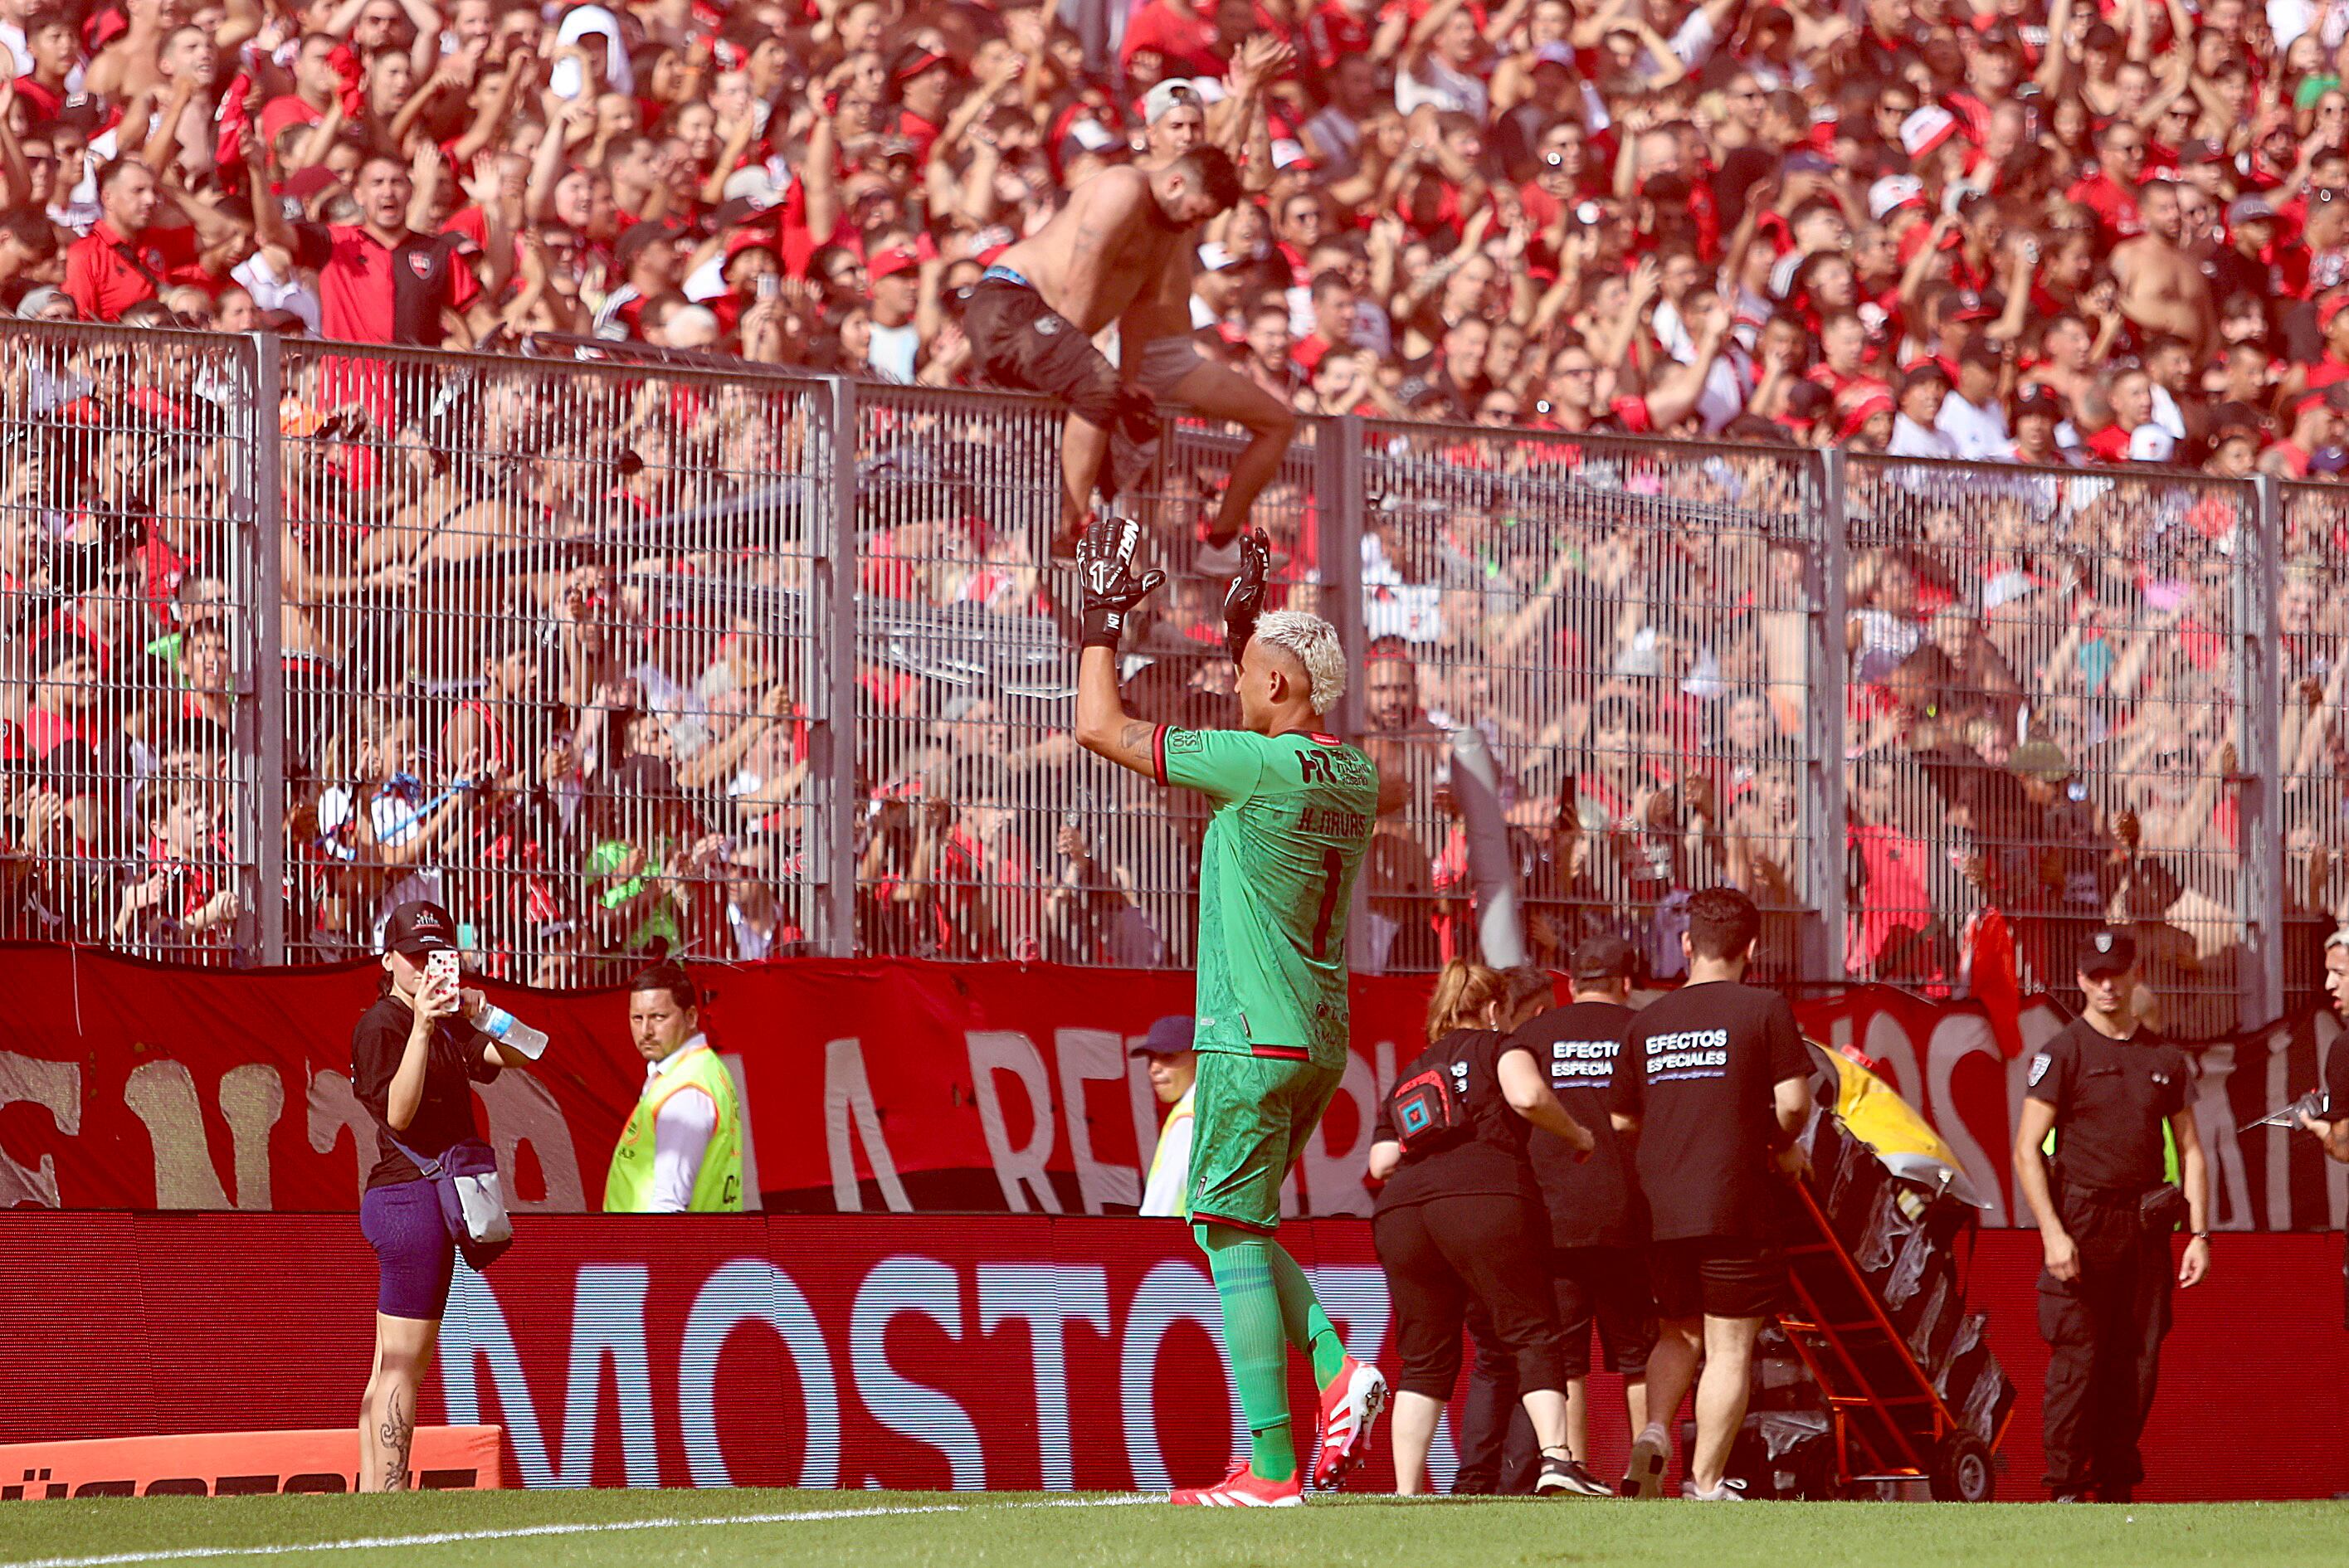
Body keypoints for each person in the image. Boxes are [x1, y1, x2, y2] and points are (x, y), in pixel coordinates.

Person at [1073, 519, 1387, 1506]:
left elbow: (1098, 728)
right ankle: (1335, 1371)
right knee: (1227, 1226)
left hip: (1250, 1035)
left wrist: (1099, 625)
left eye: (1245, 672)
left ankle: (1275, 1461)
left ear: (1279, 689)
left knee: (1228, 1231)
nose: (1231, 685)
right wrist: (1246, 625)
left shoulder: (1253, 766)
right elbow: (1274, 712)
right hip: (1320, 1036)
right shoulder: (1356, 773)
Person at [1612, 886, 1814, 1502]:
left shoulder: (1646, 1020)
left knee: (1676, 1332)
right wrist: (1780, 1145)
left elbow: (1621, 1122)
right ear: (1750, 949)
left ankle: (1651, 1432)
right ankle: (1703, 1483)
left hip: (1661, 1206)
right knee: (1729, 1345)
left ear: (1685, 945)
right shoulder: (1763, 1009)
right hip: (1734, 1201)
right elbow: (1793, 1102)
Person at [1369, 962, 1596, 1497]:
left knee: (1424, 1358)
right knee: (1531, 1330)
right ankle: (1558, 1461)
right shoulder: (1501, 1048)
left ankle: (1406, 1492)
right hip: (1486, 1201)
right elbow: (1527, 1097)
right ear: (1496, 1010)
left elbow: (1380, 1161)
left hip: (1403, 1214)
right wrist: (1578, 1134)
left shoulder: (1412, 1071)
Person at [2013, 928, 2210, 1503]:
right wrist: (2052, 1233)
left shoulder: (2163, 1057)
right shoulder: (2061, 1052)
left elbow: (2192, 1149)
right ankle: (2068, 1486)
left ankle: (2116, 1481)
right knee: (2077, 1358)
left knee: (2137, 1361)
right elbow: (2027, 1148)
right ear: (2079, 979)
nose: (2105, 984)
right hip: (2080, 1219)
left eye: (2115, 973)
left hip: (2145, 1225)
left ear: (2133, 974)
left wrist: (2199, 1234)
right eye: (2094, 975)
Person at [963, 149, 1245, 551]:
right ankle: (1073, 518)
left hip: (1048, 330)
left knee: (1122, 405)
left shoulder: (1167, 231)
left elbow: (1143, 306)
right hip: (1011, 305)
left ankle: (1060, 525)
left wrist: (1129, 379)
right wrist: (1075, 349)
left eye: (1203, 220)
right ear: (1176, 183)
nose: (1194, 224)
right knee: (1098, 386)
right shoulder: (1124, 188)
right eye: (1196, 212)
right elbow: (1083, 271)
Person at [349, 899, 539, 1490]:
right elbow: (399, 1114)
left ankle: (374, 1488)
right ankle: (388, 1492)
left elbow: (530, 1049)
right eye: (413, 958)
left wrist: (485, 1012)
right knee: (406, 1361)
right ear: (389, 961)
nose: (424, 969)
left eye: (436, 957)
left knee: (390, 1362)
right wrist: (425, 1026)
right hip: (410, 1201)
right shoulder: (382, 1024)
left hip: (421, 1200)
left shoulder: (453, 1019)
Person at [1492, 934, 1656, 1497]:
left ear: (1569, 984)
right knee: (1638, 1354)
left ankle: (1571, 1470)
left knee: (1565, 1358)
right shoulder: (1644, 1033)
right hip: (1628, 1215)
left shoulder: (1530, 1036)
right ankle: (1643, 1475)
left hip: (1550, 1215)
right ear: (1626, 984)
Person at [602, 962, 745, 1214]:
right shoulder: (701, 1068)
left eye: (659, 1017)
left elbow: (669, 1205)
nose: (646, 1031)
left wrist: (648, 1252)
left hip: (659, 1248)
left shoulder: (686, 1091)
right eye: (637, 1018)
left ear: (690, 1017)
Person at [1136, 1014, 1200, 1219]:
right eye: (1151, 1058)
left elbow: (1163, 1207)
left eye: (1169, 1056)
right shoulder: (1209, 1108)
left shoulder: (1190, 1119)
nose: (1154, 1068)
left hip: (1177, 1245)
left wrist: (1149, 1243)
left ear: (1201, 1058)